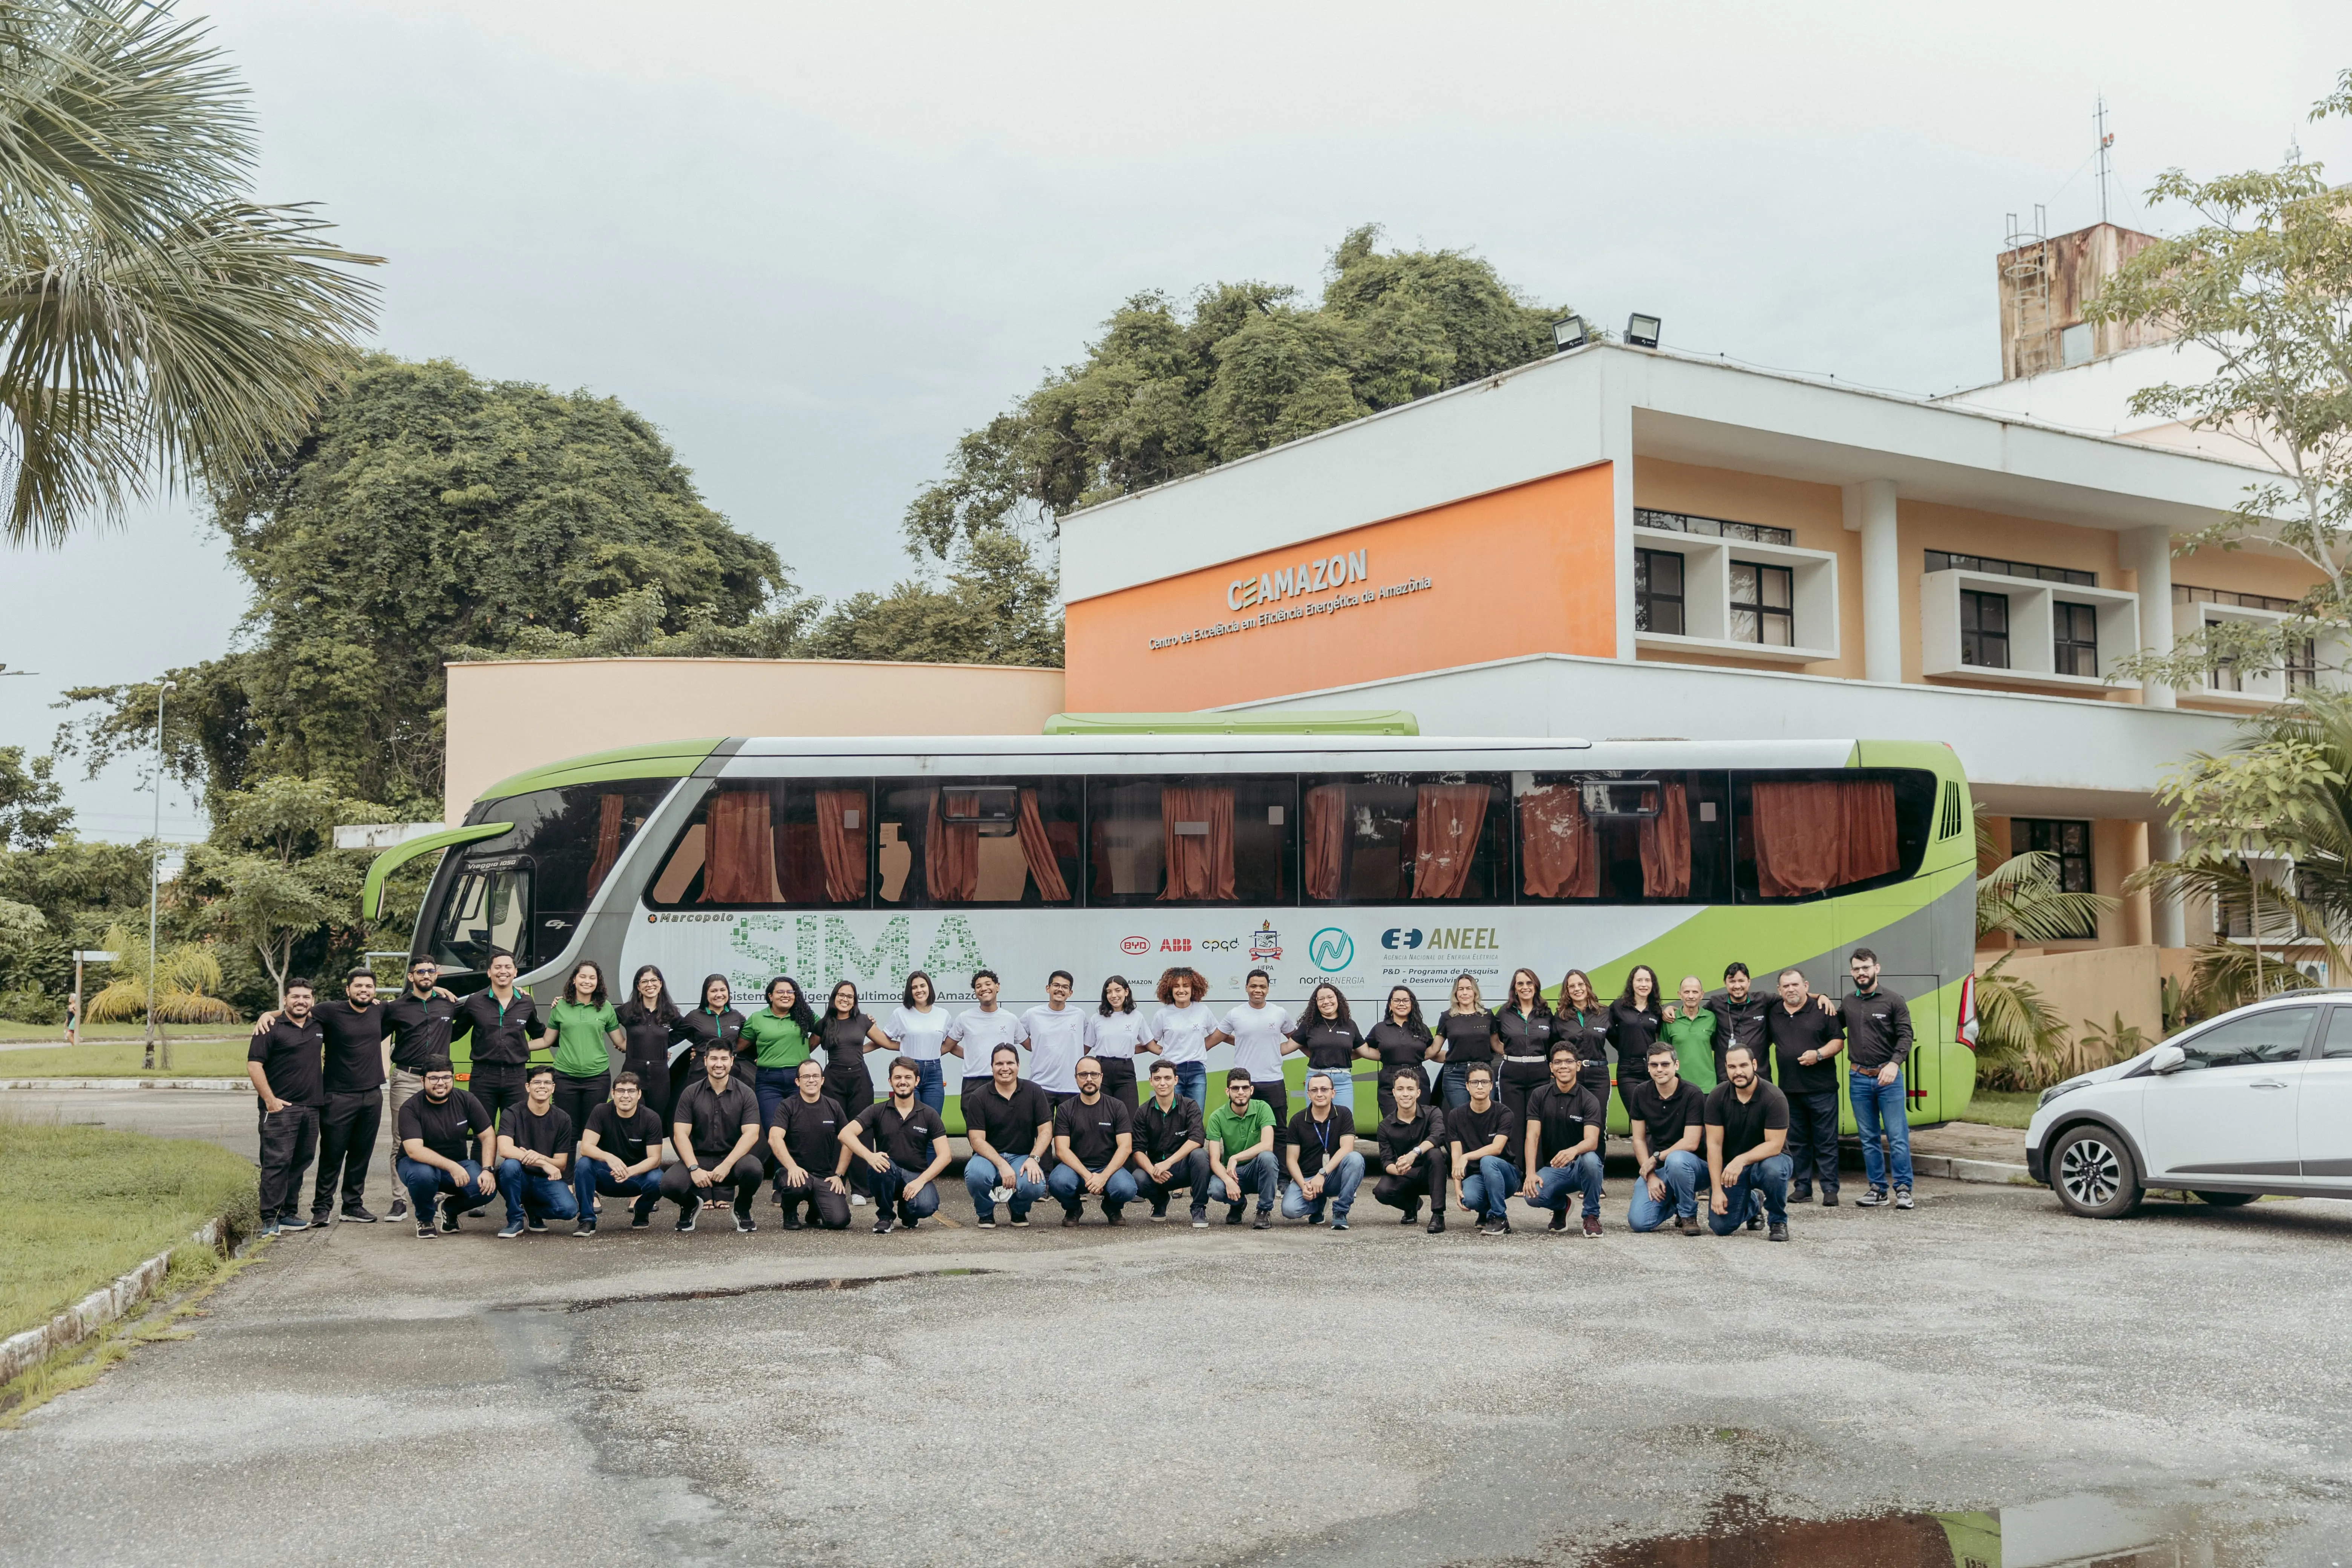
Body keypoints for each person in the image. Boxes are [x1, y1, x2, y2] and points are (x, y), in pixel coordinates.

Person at [380, 955, 462, 1221]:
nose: (426, 976)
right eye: (420, 972)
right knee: (401, 1139)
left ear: (436, 975)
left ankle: (435, 1195)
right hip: (407, 1077)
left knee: (438, 1136)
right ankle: (399, 1200)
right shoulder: (396, 1008)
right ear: (411, 976)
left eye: (430, 971)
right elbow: (371, 1031)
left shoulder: (449, 1005)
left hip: (438, 1080)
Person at [246, 978, 326, 1236]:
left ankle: (289, 1213)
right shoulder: (270, 1027)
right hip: (280, 1108)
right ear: (285, 1000)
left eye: (306, 997)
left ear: (313, 1000)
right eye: (295, 997)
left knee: (301, 1161)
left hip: (311, 1107)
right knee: (276, 1163)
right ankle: (270, 1219)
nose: (301, 1001)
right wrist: (270, 1101)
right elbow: (254, 1065)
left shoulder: (318, 1024)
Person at [310, 966, 388, 1226]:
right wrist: (268, 1014)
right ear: (348, 989)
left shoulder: (379, 1010)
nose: (363, 990)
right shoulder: (331, 1011)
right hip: (338, 1096)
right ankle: (322, 1208)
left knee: (361, 1154)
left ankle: (352, 1206)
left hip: (372, 1095)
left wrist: (442, 989)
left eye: (368, 986)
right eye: (358, 986)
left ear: (374, 990)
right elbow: (295, 1011)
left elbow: (415, 1001)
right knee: (332, 1154)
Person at [1840, 948, 1917, 1210]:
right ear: (1852, 972)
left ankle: (1904, 1190)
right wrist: (1818, 998)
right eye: (1857, 969)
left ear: (1877, 968)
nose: (1862, 973)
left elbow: (1906, 1036)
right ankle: (1877, 1189)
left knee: (1897, 1136)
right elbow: (1830, 1023)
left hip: (1888, 1078)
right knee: (1868, 1137)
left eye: (1866, 967)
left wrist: (1895, 1065)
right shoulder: (1849, 1002)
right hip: (1859, 1078)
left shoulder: (1894, 1001)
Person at [663, 1040, 764, 1233]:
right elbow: (680, 1135)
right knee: (669, 1185)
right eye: (714, 1059)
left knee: (754, 1169)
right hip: (699, 1160)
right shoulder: (690, 1093)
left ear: (732, 1061)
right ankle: (691, 1205)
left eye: (724, 1059)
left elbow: (752, 1134)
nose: (719, 1064)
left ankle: (743, 1208)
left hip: (732, 1161)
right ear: (705, 1061)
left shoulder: (746, 1093)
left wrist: (727, 1165)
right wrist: (694, 1168)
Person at [841, 1059, 952, 1234]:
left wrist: (920, 1182)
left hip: (916, 1176)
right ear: (890, 1081)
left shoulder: (929, 1114)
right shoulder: (877, 1111)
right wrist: (870, 1156)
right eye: (898, 1077)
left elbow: (945, 1156)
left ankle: (908, 1213)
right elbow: (845, 1134)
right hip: (887, 1173)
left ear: (917, 1081)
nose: (903, 1082)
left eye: (908, 1077)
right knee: (881, 1166)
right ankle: (885, 1217)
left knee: (926, 1206)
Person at [1764, 966, 1844, 1206]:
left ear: (1806, 987)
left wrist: (1818, 1055)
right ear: (1779, 991)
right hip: (1789, 1090)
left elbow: (1838, 1041)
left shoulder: (1822, 1008)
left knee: (1826, 1141)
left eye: (1796, 984)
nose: (1791, 989)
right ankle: (1803, 1188)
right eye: (1786, 986)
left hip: (1822, 1089)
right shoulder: (1774, 1011)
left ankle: (1830, 1190)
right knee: (1797, 1143)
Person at [392, 1057, 498, 1239]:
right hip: (416, 1164)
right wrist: (452, 1167)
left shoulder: (466, 1100)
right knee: (424, 1176)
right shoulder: (410, 1108)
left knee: (486, 1188)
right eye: (434, 1078)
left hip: (459, 1163)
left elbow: (488, 1135)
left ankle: (450, 1209)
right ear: (423, 1080)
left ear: (453, 1078)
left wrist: (488, 1169)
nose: (440, 1083)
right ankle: (425, 1219)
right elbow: (414, 1150)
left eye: (446, 1078)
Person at [446, 951, 541, 1132]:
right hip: (483, 1076)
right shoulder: (474, 1001)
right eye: (497, 967)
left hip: (517, 1077)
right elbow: (454, 1033)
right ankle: (483, 1163)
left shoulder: (527, 1003)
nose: (502, 971)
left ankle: (513, 1163)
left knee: (517, 1131)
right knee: (481, 1132)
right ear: (489, 972)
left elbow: (540, 1032)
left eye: (508, 967)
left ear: (515, 972)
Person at [960, 1043, 1052, 1228]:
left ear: (1018, 1065)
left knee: (1035, 1185)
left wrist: (1034, 1159)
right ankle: (985, 1212)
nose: (1005, 1069)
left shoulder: (1034, 1092)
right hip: (988, 1158)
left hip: (1022, 1157)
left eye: (1010, 1063)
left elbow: (1046, 1131)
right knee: (976, 1175)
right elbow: (976, 1139)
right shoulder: (979, 1096)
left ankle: (1018, 1209)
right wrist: (1002, 1165)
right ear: (992, 1067)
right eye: (999, 1064)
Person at [1706, 1043, 1792, 1240]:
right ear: (1725, 1068)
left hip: (1769, 1160)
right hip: (1732, 1170)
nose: (1738, 1072)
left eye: (1743, 1066)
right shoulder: (1717, 1097)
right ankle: (1754, 1203)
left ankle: (1778, 1221)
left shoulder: (1774, 1097)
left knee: (1775, 1171)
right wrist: (1717, 1190)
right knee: (1720, 1227)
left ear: (1755, 1064)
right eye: (1732, 1067)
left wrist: (1741, 1160)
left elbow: (1775, 1145)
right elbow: (1714, 1145)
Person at [1521, 1043, 1605, 1236]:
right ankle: (1562, 1206)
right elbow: (1532, 1136)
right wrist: (1531, 1173)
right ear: (1551, 1067)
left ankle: (1591, 1216)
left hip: (1581, 1168)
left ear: (1578, 1066)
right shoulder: (1539, 1096)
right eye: (1558, 1062)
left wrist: (1573, 1151)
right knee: (1532, 1195)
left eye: (1569, 1062)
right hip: (1554, 1169)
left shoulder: (1589, 1100)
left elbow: (1592, 1141)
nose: (1563, 1066)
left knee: (1591, 1159)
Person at [1625, 1042, 1708, 1235]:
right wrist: (1650, 1176)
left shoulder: (1692, 1094)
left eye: (1665, 1064)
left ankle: (1688, 1215)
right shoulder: (1641, 1092)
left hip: (1694, 1168)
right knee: (1640, 1223)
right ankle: (1676, 1201)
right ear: (1648, 1067)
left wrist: (1655, 1159)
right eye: (1654, 1065)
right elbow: (1638, 1139)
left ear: (1676, 1065)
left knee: (1676, 1159)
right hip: (1662, 1169)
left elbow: (1691, 1142)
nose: (1659, 1070)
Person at [571, 1070, 667, 1235]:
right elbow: (586, 1147)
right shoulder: (601, 1111)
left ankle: (642, 1211)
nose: (625, 1096)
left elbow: (655, 1159)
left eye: (631, 1091)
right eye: (621, 1091)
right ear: (613, 1093)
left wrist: (629, 1171)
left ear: (639, 1094)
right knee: (584, 1164)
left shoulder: (651, 1118)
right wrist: (609, 1158)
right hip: (607, 1176)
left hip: (636, 1178)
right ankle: (587, 1220)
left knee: (659, 1179)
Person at [546, 961, 623, 1159]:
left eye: (592, 978)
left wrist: (656, 1050)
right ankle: (568, 1181)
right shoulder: (560, 1006)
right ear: (574, 979)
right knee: (567, 1132)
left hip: (597, 1079)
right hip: (565, 1078)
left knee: (595, 1133)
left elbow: (621, 1042)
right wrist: (514, 1046)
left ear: (598, 983)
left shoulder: (606, 1008)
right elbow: (547, 1040)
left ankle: (590, 1183)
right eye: (583, 977)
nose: (587, 981)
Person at [494, 1064, 579, 1238]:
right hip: (519, 1177)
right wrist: (541, 1162)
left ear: (553, 1088)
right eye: (537, 1082)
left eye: (547, 1083)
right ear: (528, 1087)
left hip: (545, 1180)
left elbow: (561, 1164)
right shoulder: (512, 1113)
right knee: (510, 1166)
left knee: (569, 1210)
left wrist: (540, 1158)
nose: (542, 1087)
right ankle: (515, 1220)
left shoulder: (563, 1119)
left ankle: (533, 1211)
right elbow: (504, 1149)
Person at [1049, 1057, 1137, 1225]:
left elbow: (1125, 1147)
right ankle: (1073, 1208)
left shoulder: (1117, 1107)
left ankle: (1112, 1207)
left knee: (1127, 1189)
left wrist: (1103, 1177)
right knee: (1058, 1183)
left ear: (1102, 1078)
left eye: (1094, 1074)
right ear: (1076, 1078)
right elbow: (1061, 1150)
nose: (1089, 1079)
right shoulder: (1065, 1109)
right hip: (1075, 1169)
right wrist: (1089, 1176)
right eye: (1083, 1075)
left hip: (1109, 1168)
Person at [768, 1058, 852, 1231]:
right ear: (798, 1082)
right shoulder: (787, 1106)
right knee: (798, 1185)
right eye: (806, 1077)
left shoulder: (834, 1107)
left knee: (839, 1221)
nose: (811, 1080)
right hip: (793, 1173)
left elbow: (849, 1141)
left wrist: (839, 1175)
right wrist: (792, 1167)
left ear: (822, 1080)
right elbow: (774, 1138)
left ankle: (815, 1210)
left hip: (825, 1176)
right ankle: (790, 1212)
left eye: (815, 1076)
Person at [1129, 1058, 1210, 1225]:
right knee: (1138, 1178)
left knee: (1200, 1156)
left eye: (1167, 1078)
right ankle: (1160, 1202)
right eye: (1157, 1079)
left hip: (1183, 1167)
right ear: (1151, 1081)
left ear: (1176, 1080)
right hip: (1157, 1170)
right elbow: (1137, 1150)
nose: (1162, 1083)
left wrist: (1170, 1162)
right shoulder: (1143, 1112)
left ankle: (1198, 1208)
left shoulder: (1190, 1106)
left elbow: (1197, 1138)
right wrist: (1152, 1170)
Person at [1280, 1070, 1363, 1229]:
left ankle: (1340, 1212)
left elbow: (1347, 1148)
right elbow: (1291, 1159)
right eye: (1314, 1090)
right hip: (1307, 1179)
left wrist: (1323, 1173)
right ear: (1308, 1094)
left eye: (1324, 1090)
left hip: (1332, 1176)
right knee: (1289, 1210)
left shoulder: (1344, 1114)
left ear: (1333, 1093)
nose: (1320, 1094)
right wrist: (1303, 1185)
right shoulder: (1297, 1120)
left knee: (1355, 1159)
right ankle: (1318, 1205)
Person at [1369, 1067, 1449, 1233]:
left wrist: (1415, 1153)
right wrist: (1398, 1169)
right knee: (1381, 1191)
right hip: (1405, 1175)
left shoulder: (1433, 1112)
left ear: (1418, 1093)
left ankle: (1438, 1215)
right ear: (1394, 1093)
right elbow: (1386, 1162)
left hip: (1430, 1174)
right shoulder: (1385, 1126)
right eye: (1400, 1089)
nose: (1405, 1094)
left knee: (1435, 1154)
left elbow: (1439, 1135)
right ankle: (1412, 1205)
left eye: (1410, 1089)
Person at [1210, 968, 1292, 1127]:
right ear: (1246, 987)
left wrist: (1278, 1049)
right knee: (1242, 1127)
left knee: (1279, 1128)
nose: (1258, 990)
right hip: (1244, 1082)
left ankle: (1276, 1154)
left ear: (1268, 989)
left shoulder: (1279, 1013)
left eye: (1263, 987)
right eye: (1254, 986)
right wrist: (1240, 1041)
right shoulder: (1235, 1014)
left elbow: (1296, 1038)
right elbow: (1216, 1038)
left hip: (1273, 1081)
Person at [1204, 1066, 1279, 1228]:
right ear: (1227, 1091)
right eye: (1235, 1088)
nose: (1241, 1092)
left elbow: (1268, 1145)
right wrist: (1228, 1181)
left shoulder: (1262, 1108)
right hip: (1233, 1174)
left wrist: (1235, 1157)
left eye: (1245, 1088)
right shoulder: (1217, 1116)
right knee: (1216, 1189)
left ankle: (1264, 1211)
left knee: (1268, 1158)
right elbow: (1215, 1160)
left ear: (1251, 1090)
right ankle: (1238, 1204)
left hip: (1257, 1170)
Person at [1449, 1064, 1518, 1236]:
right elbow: (1456, 1154)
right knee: (1469, 1199)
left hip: (1506, 1175)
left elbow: (1497, 1148)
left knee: (1488, 1160)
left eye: (1484, 1082)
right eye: (1475, 1082)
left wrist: (1467, 1157)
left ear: (1491, 1085)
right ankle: (1485, 1211)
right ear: (1467, 1086)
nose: (1480, 1086)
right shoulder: (1456, 1115)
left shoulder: (1504, 1113)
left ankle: (1500, 1218)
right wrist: (1457, 1187)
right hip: (1476, 1174)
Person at [742, 976, 818, 1131]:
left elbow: (826, 1029)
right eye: (781, 992)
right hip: (768, 1082)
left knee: (801, 1128)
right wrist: (700, 1050)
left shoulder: (804, 1015)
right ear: (770, 996)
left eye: (791, 992)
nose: (786, 995)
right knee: (774, 1129)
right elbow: (738, 1046)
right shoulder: (757, 1018)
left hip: (799, 1079)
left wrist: (805, 1050)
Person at [672, 974, 746, 1124]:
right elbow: (672, 1038)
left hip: (730, 1072)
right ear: (706, 994)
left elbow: (750, 1039)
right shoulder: (694, 1017)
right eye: (714, 991)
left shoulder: (737, 1017)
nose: (719, 995)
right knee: (700, 1114)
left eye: (723, 990)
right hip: (700, 1072)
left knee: (730, 1116)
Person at [616, 965, 683, 1119]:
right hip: (632, 1073)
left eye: (654, 980)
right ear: (638, 987)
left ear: (660, 984)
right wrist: (620, 1041)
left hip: (660, 1077)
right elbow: (606, 1021)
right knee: (630, 1118)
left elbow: (686, 1030)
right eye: (644, 982)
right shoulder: (626, 1011)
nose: (650, 985)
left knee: (655, 1119)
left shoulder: (670, 1012)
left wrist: (663, 1045)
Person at [1285, 982, 1363, 1113]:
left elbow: (1364, 1051)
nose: (1326, 1002)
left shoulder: (1349, 1025)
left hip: (1343, 1082)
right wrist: (1254, 1049)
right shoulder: (1309, 1025)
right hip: (1316, 1080)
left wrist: (1391, 1054)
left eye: (1330, 997)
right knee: (1316, 1121)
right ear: (1316, 1003)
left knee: (1345, 1121)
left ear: (1338, 999)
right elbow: (1288, 1047)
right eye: (1321, 999)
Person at [819, 980, 891, 1118]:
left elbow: (885, 1043)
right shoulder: (825, 1023)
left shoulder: (864, 1020)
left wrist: (859, 1050)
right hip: (833, 1083)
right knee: (834, 1127)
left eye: (850, 996)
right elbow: (808, 1047)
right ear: (834, 997)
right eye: (841, 995)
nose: (845, 999)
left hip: (860, 1083)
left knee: (862, 1126)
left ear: (854, 1001)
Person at [1366, 985, 1438, 1120]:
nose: (1401, 1004)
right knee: (1392, 1122)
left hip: (1418, 1079)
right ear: (1390, 1005)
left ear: (1412, 1004)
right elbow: (1364, 1048)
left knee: (1420, 1122)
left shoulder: (1422, 1029)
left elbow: (1432, 1051)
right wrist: (1382, 1057)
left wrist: (1454, 1056)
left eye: (1406, 1000)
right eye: (1397, 1001)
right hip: (1389, 1080)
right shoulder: (1380, 1029)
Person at [884, 970, 952, 1113]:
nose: (919, 990)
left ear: (929, 988)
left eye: (923, 986)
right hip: (908, 1069)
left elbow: (950, 1044)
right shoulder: (900, 1014)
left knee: (933, 1119)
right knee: (910, 1120)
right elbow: (885, 1040)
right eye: (914, 988)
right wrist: (861, 1049)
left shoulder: (943, 1015)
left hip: (934, 1072)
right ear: (910, 991)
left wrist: (970, 1055)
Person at [1493, 967, 1556, 1124]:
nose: (1525, 987)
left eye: (1529, 983)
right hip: (1511, 1074)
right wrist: (1508, 1053)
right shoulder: (1504, 1013)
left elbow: (1553, 1043)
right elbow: (1493, 1040)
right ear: (1515, 988)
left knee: (1538, 1122)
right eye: (1520, 984)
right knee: (1513, 1123)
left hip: (1540, 1074)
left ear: (1536, 986)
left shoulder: (1546, 1013)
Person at [946, 969, 1021, 1098]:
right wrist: (971, 1056)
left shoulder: (1011, 1019)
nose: (984, 989)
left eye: (988, 984)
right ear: (976, 993)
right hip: (973, 1081)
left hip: (1004, 1078)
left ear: (997, 987)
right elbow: (948, 1046)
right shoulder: (965, 1018)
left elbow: (1029, 1044)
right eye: (978, 986)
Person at [1018, 970, 1089, 1107]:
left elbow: (1087, 1043)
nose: (1060, 990)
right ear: (1048, 988)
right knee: (1042, 1129)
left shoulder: (1079, 1015)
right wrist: (1038, 1048)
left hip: (1071, 1087)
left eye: (1065, 987)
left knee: (1070, 1129)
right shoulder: (1032, 1014)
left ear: (1070, 993)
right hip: (1041, 1085)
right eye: (1056, 985)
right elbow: (1020, 1036)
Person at [1149, 967, 1216, 1104]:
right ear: (1170, 990)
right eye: (1176, 986)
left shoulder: (1203, 1010)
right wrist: (1164, 1052)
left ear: (1194, 988)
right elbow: (1151, 1042)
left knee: (1196, 1116)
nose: (1181, 990)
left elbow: (1217, 1034)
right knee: (1173, 1116)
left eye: (1186, 986)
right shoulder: (1163, 1014)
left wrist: (1203, 1047)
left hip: (1197, 1070)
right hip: (1171, 1071)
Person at [1433, 974, 1498, 1110]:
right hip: (1455, 1075)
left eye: (1469, 989)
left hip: (1484, 1072)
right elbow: (1434, 1050)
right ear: (1455, 993)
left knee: (1487, 1115)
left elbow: (1497, 1045)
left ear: (1475, 992)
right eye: (1460, 989)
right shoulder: (1447, 1017)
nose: (1465, 993)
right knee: (1462, 1117)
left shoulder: (1487, 1015)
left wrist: (1518, 1052)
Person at [1085, 975, 1150, 1107]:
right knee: (1102, 1114)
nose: (1114, 996)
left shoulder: (1137, 1017)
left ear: (1126, 992)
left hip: (1126, 1070)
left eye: (1118, 990)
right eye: (1109, 992)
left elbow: (1149, 1044)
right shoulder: (1097, 1018)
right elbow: (1085, 1047)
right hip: (1102, 1069)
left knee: (1129, 1114)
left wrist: (1170, 1053)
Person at [1608, 965, 1665, 1109]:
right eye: (1639, 980)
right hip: (1628, 1070)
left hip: (1651, 1069)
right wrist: (1622, 1045)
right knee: (1638, 1112)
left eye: (1648, 980)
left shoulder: (1656, 1010)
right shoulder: (1618, 1007)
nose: (1644, 985)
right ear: (1632, 983)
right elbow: (1608, 1030)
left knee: (1654, 1114)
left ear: (1653, 984)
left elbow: (1658, 1036)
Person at [1553, 969, 1612, 1099]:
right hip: (1572, 1075)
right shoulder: (1560, 1017)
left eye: (1581, 984)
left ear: (1587, 986)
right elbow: (1552, 1048)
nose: (1577, 989)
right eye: (1572, 986)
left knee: (1598, 1118)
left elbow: (1620, 1041)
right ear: (1567, 991)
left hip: (1599, 1076)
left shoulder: (1604, 1013)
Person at [1657, 975, 1720, 1092]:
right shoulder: (1670, 1020)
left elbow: (1718, 1046)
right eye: (1686, 992)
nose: (1691, 996)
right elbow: (1663, 1053)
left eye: (1695, 992)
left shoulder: (1711, 1018)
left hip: (1707, 1087)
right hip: (1678, 1086)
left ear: (1702, 995)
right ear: (1680, 995)